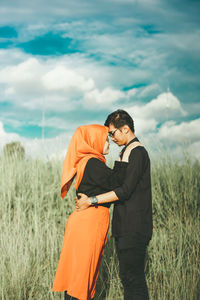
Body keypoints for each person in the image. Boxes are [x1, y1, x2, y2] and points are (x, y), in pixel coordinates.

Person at [76, 110, 153, 300]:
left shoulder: (138, 153)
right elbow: (116, 183)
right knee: (127, 278)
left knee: (133, 280)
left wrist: (91, 201)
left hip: (134, 227)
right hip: (124, 228)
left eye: (112, 133)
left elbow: (125, 190)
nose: (110, 138)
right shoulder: (125, 153)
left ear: (125, 129)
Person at [52, 124, 127, 300]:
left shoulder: (87, 162)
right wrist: (123, 159)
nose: (109, 143)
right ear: (94, 141)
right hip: (89, 222)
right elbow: (118, 184)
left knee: (76, 276)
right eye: (105, 139)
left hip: (85, 220)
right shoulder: (93, 163)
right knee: (81, 277)